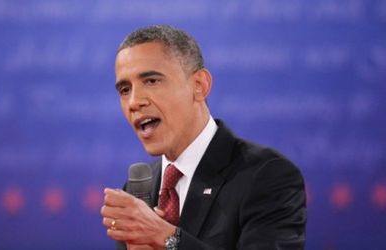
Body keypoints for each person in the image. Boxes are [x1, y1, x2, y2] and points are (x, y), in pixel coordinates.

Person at [101, 25, 306, 250]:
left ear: (199, 86)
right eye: (124, 90)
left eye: (151, 81)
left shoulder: (267, 175)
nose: (134, 102)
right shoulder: (138, 191)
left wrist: (167, 239)